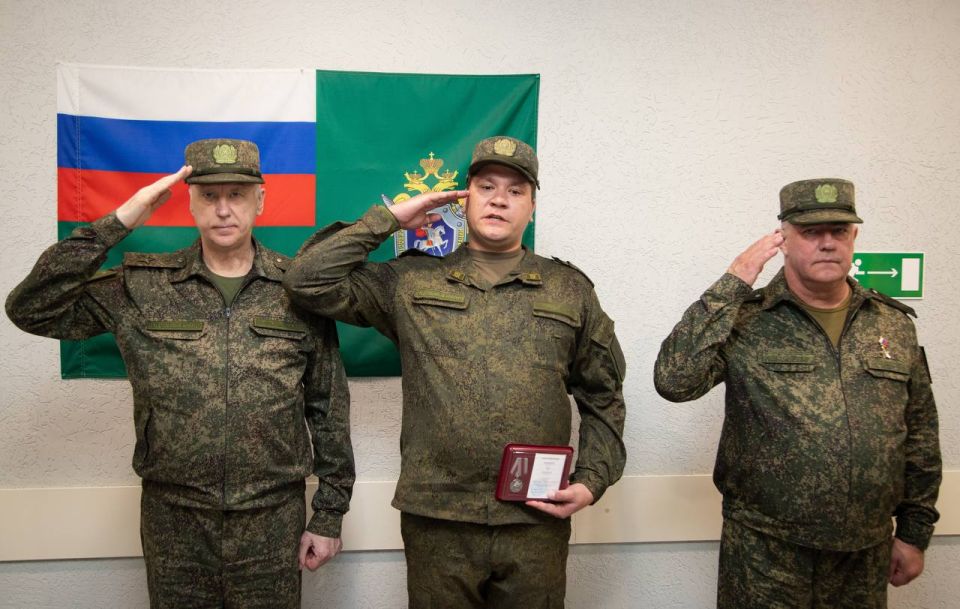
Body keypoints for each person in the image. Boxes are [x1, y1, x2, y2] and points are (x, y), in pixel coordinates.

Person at [6, 139, 354, 608]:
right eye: (209, 195)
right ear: (189, 202)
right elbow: (31, 308)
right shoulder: (142, 286)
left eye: (237, 194)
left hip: (272, 519)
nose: (223, 209)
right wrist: (119, 221)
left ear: (260, 200)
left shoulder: (296, 289)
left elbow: (328, 407)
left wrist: (329, 514)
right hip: (174, 521)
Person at [282, 135, 626, 608]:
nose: (499, 199)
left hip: (534, 519)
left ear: (532, 207)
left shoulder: (569, 290)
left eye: (516, 190)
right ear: (464, 199)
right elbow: (305, 281)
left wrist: (591, 479)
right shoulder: (411, 281)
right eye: (486, 187)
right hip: (437, 518)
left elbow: (604, 394)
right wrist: (388, 220)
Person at [654, 178, 941, 608]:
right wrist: (734, 281)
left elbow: (920, 435)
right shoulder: (747, 319)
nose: (827, 243)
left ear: (854, 237)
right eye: (810, 231)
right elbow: (674, 381)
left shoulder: (891, 324)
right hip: (765, 553)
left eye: (838, 230)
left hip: (864, 554)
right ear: (783, 240)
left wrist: (914, 534)